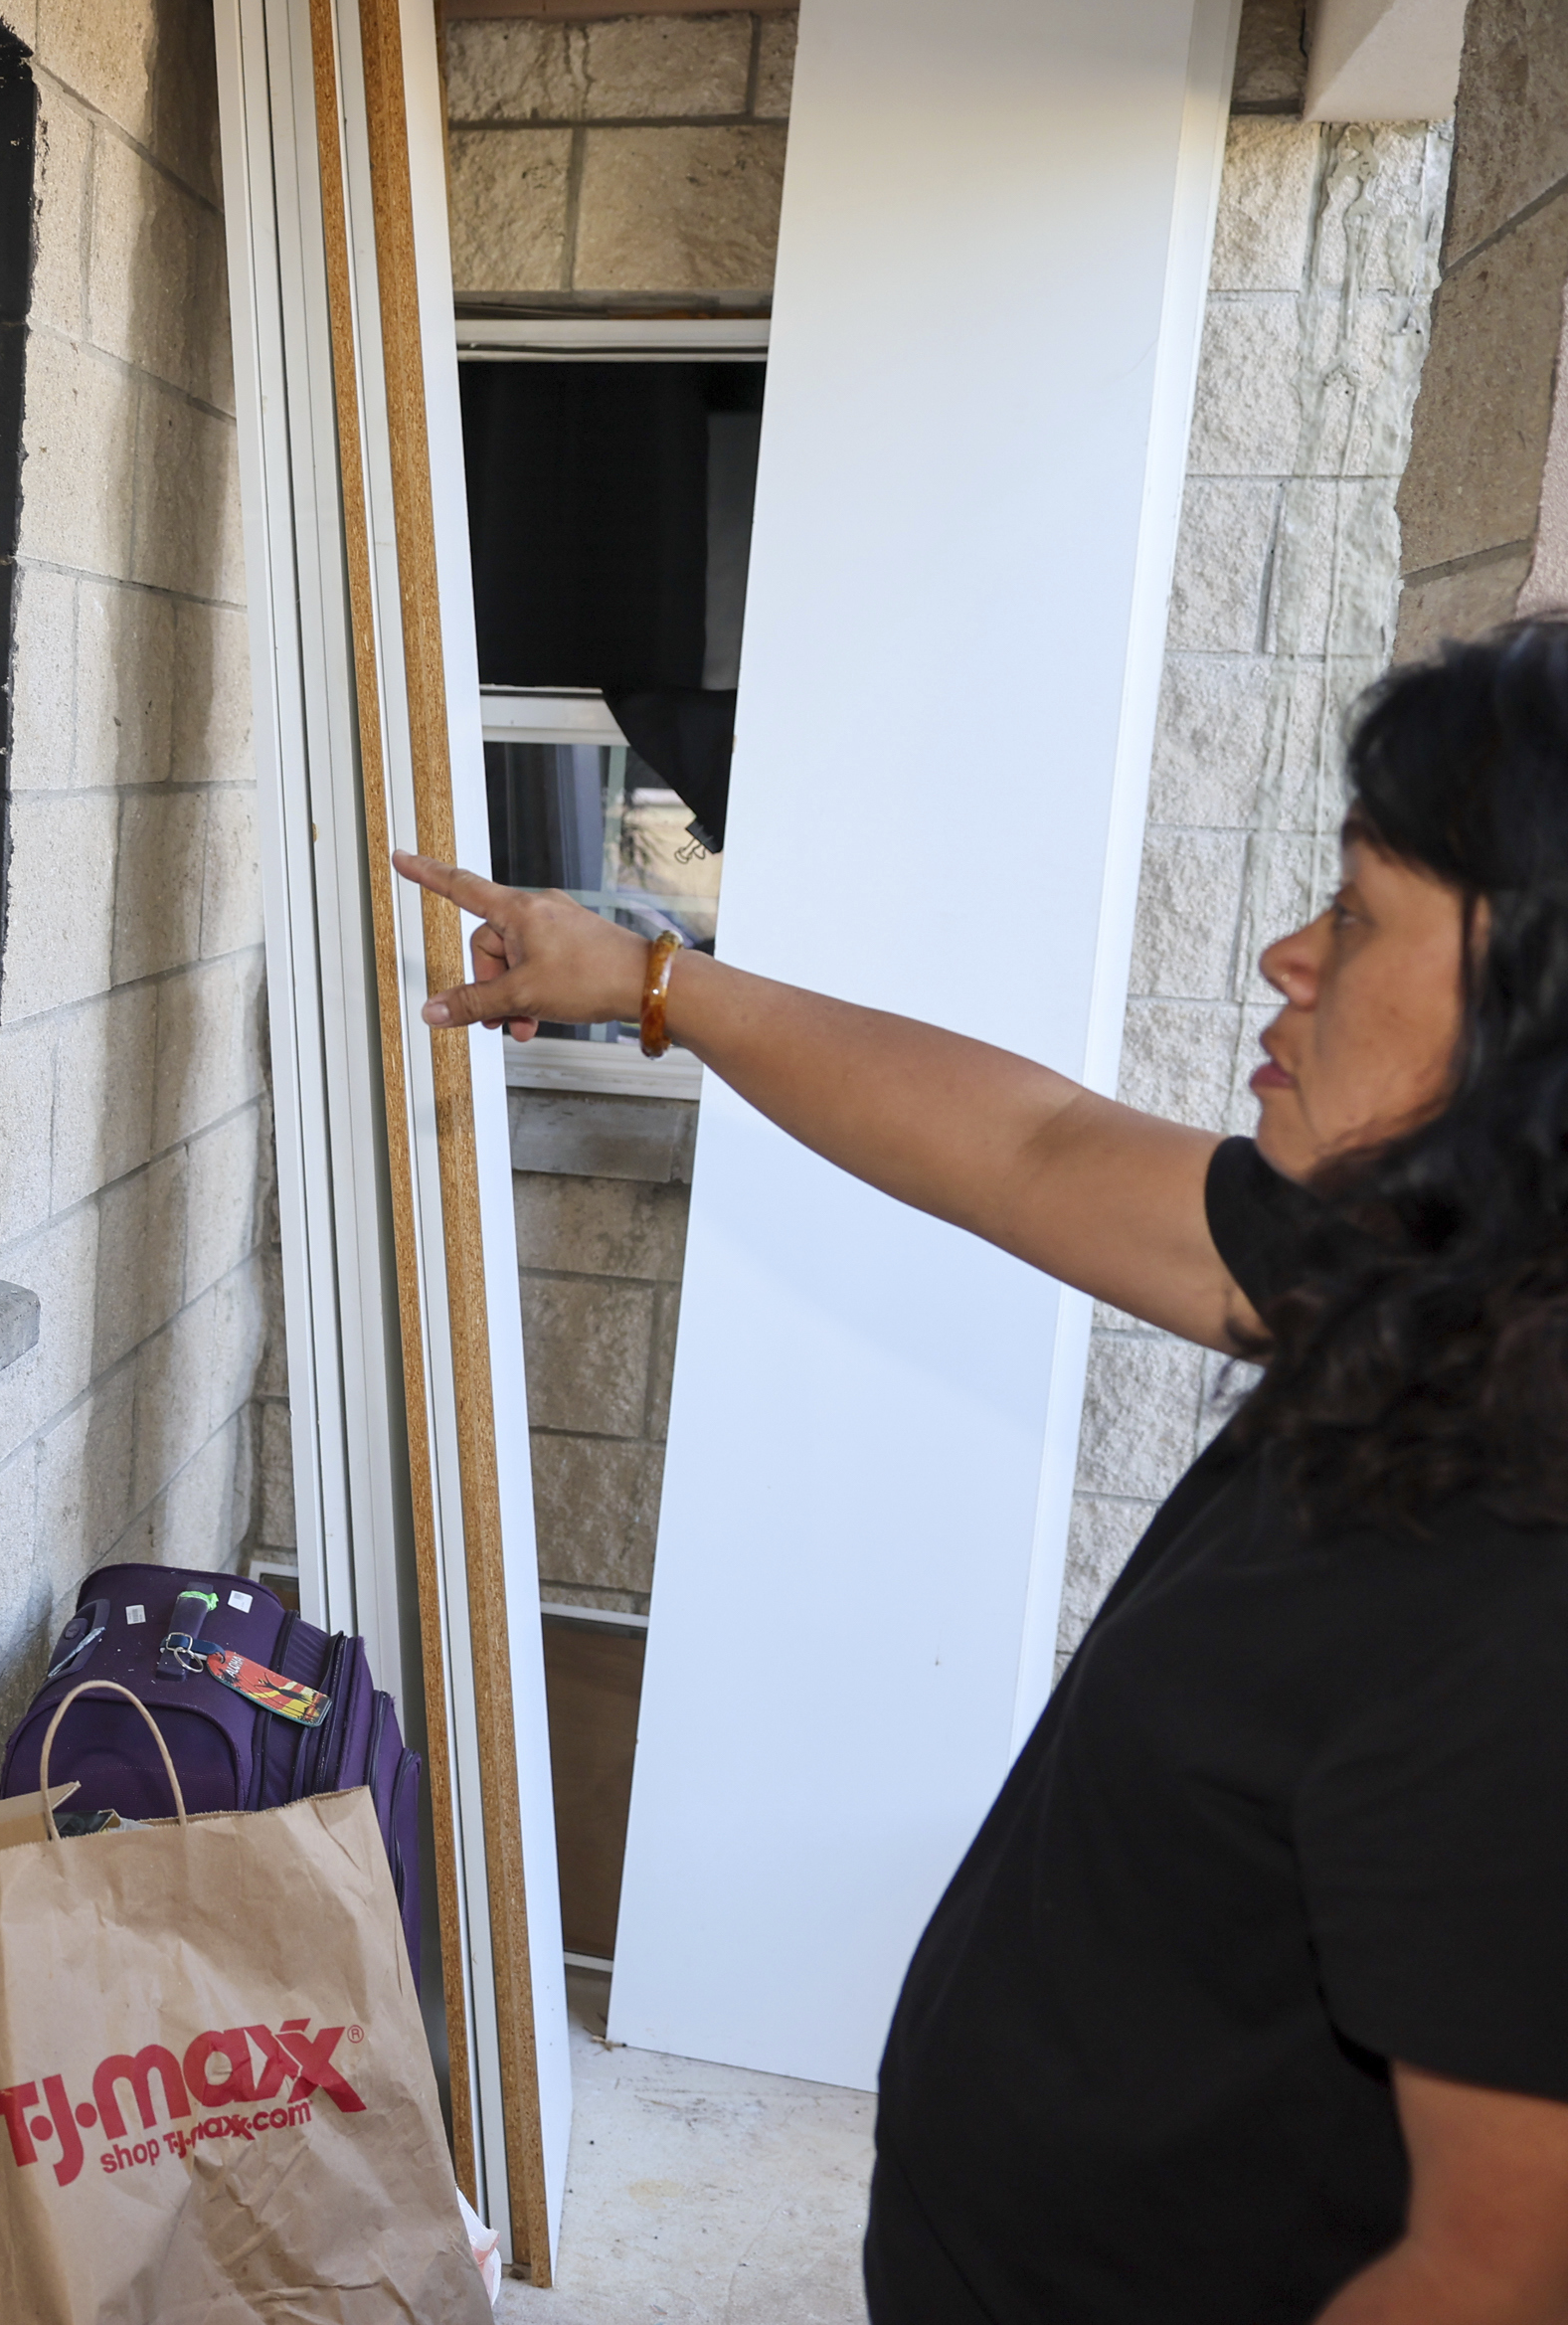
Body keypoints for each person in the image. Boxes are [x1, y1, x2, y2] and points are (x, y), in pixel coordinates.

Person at [394, 623, 1568, 2324]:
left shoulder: (1529, 1585)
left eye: (1365, 918)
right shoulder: (1435, 1288)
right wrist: (648, 979)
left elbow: (1503, 2270)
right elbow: (1032, 1147)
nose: (1285, 953)